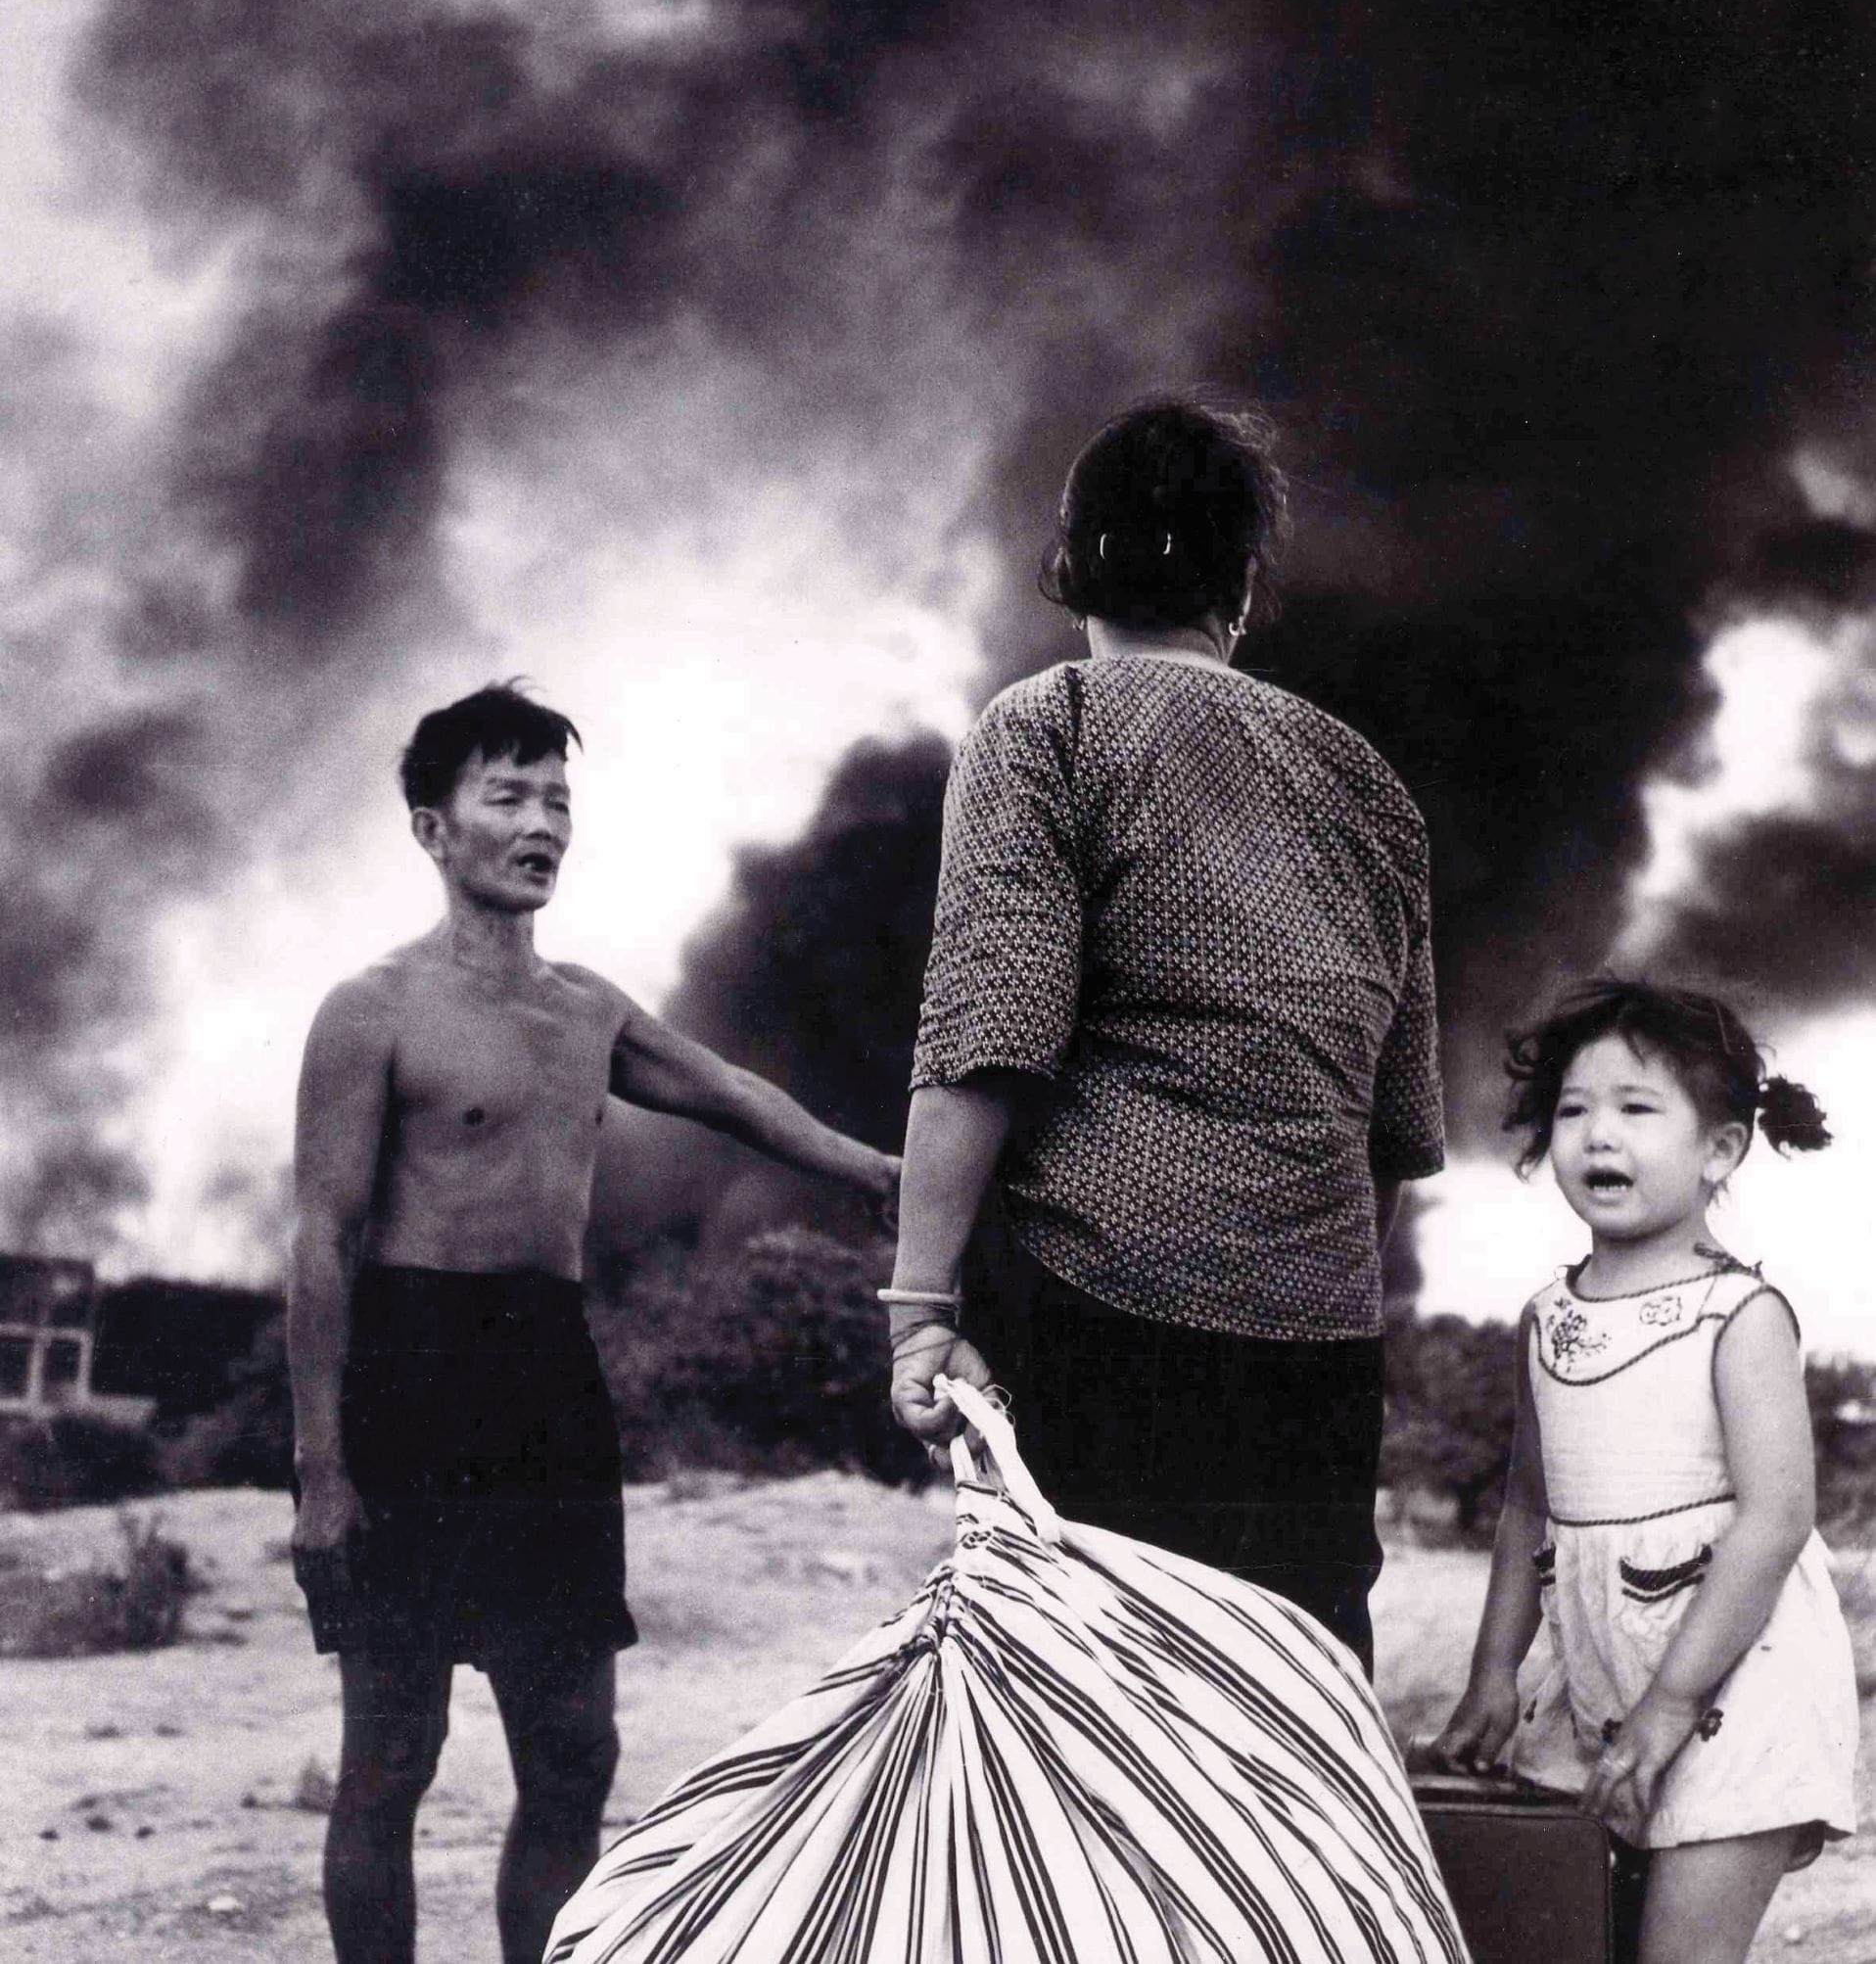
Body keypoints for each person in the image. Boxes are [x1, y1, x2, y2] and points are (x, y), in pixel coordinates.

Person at [288, 682, 899, 1964]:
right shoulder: (370, 1009)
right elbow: (322, 1246)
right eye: (507, 795)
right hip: (408, 1374)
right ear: (431, 827)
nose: (541, 824)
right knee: (392, 1755)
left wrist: (880, 1169)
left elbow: (730, 1093)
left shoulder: (586, 1009)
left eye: (558, 801)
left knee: (574, 1748)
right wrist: (322, 1472)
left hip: (544, 1378)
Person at [884, 399, 1445, 1674]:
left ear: (1071, 565)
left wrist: (918, 1310)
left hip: (1101, 1315)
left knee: (1086, 1709)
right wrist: (1299, 1289)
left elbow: (984, 1042)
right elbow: (1393, 1135)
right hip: (1318, 1347)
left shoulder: (1047, 725)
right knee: (1290, 1706)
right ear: (1241, 584)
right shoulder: (1370, 786)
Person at [1433, 979, 1858, 1964]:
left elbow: (1775, 1518)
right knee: (1567, 1938)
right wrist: (1492, 1673)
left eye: (1635, 1108)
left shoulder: (1737, 1315)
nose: (1597, 1135)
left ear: (1719, 1149)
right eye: (1572, 1109)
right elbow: (1526, 1508)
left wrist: (1670, 1704)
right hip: (1594, 1691)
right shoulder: (1548, 1318)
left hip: (1732, 1685)